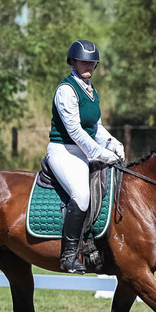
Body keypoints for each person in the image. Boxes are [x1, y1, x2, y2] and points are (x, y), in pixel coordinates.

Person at [47, 39, 125, 273]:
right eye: (83, 61)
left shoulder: (91, 91)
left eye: (92, 62)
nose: (88, 66)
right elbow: (75, 131)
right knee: (81, 195)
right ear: (72, 62)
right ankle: (69, 255)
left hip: (85, 151)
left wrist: (113, 142)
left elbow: (95, 127)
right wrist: (101, 153)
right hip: (64, 151)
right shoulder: (66, 90)